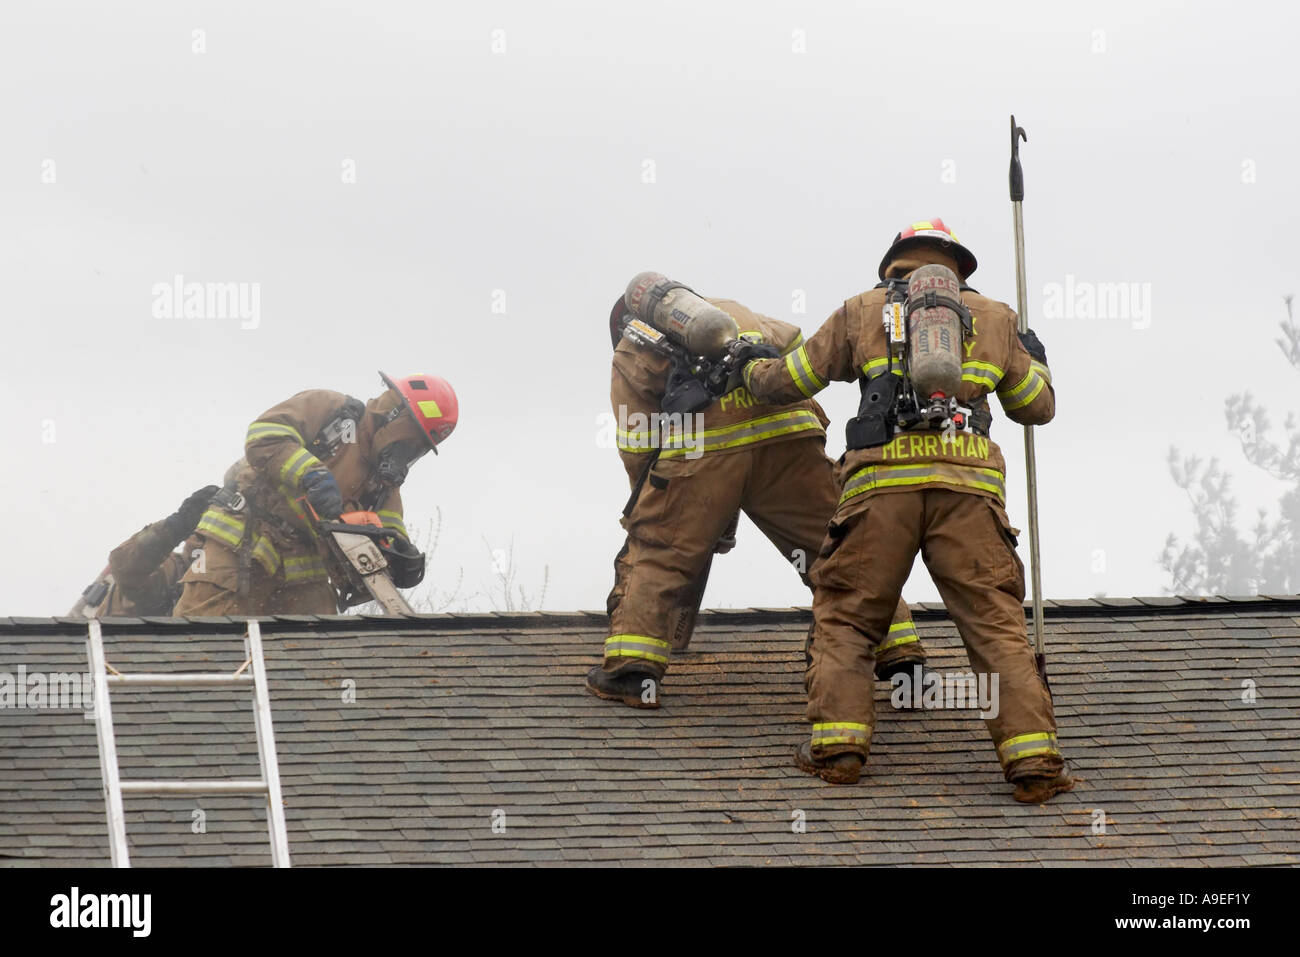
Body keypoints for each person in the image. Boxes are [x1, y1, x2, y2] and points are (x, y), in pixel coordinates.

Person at [738, 219, 1072, 803]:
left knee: (848, 618)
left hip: (880, 490)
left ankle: (838, 750)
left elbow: (792, 380)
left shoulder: (861, 312)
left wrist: (749, 366)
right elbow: (1035, 408)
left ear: (894, 262)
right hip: (968, 492)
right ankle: (1034, 761)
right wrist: (1035, 360)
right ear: (957, 265)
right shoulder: (995, 317)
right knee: (996, 630)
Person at [588, 284, 925, 709]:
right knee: (836, 550)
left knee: (657, 551)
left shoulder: (631, 347)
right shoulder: (740, 313)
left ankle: (631, 671)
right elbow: (800, 354)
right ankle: (903, 663)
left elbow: (636, 442)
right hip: (791, 438)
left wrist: (660, 504)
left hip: (705, 453)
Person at [173, 372, 456, 616]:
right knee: (201, 632)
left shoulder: (384, 482)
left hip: (304, 565)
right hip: (242, 538)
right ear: (395, 414)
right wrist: (309, 472)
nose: (409, 453)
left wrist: (400, 554)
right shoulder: (330, 409)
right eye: (412, 441)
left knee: (320, 646)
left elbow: (388, 526)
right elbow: (263, 434)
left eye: (419, 448)